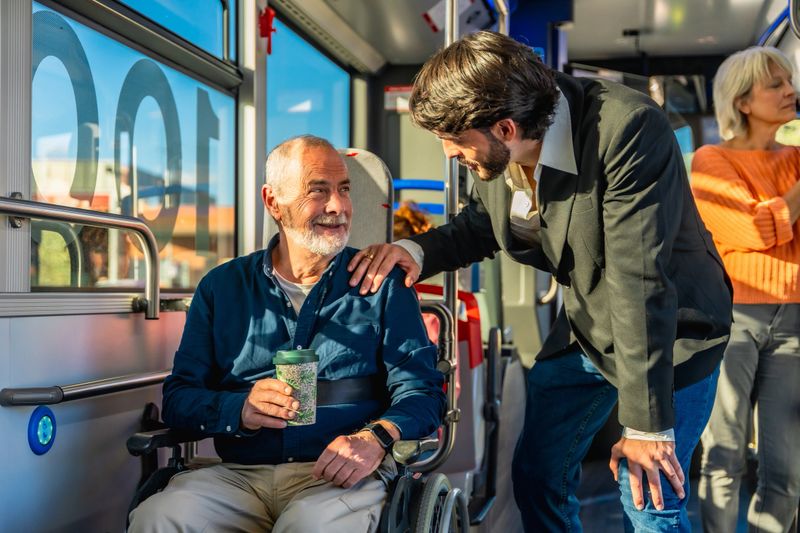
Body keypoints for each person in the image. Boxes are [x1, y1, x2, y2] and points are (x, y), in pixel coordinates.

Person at [348, 31, 733, 532]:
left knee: (648, 493)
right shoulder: (495, 151)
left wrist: (645, 428)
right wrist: (415, 251)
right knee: (538, 474)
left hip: (673, 328)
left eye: (454, 142)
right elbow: (484, 224)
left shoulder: (627, 129)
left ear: (506, 128)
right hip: (590, 324)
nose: (448, 153)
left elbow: (638, 280)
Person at [128, 135, 445, 533]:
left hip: (340, 478)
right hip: (240, 476)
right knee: (157, 518)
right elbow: (178, 399)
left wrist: (375, 438)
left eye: (344, 190)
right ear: (273, 201)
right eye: (319, 191)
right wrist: (239, 410)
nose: (338, 206)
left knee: (309, 525)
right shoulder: (222, 287)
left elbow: (424, 393)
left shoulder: (383, 286)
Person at [690, 46, 800, 533]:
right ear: (742, 101)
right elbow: (756, 230)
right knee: (724, 453)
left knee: (788, 466)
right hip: (733, 319)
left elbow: (773, 223)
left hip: (795, 317)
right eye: (775, 84)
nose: (790, 90)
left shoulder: (796, 160)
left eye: (789, 80)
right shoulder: (710, 161)